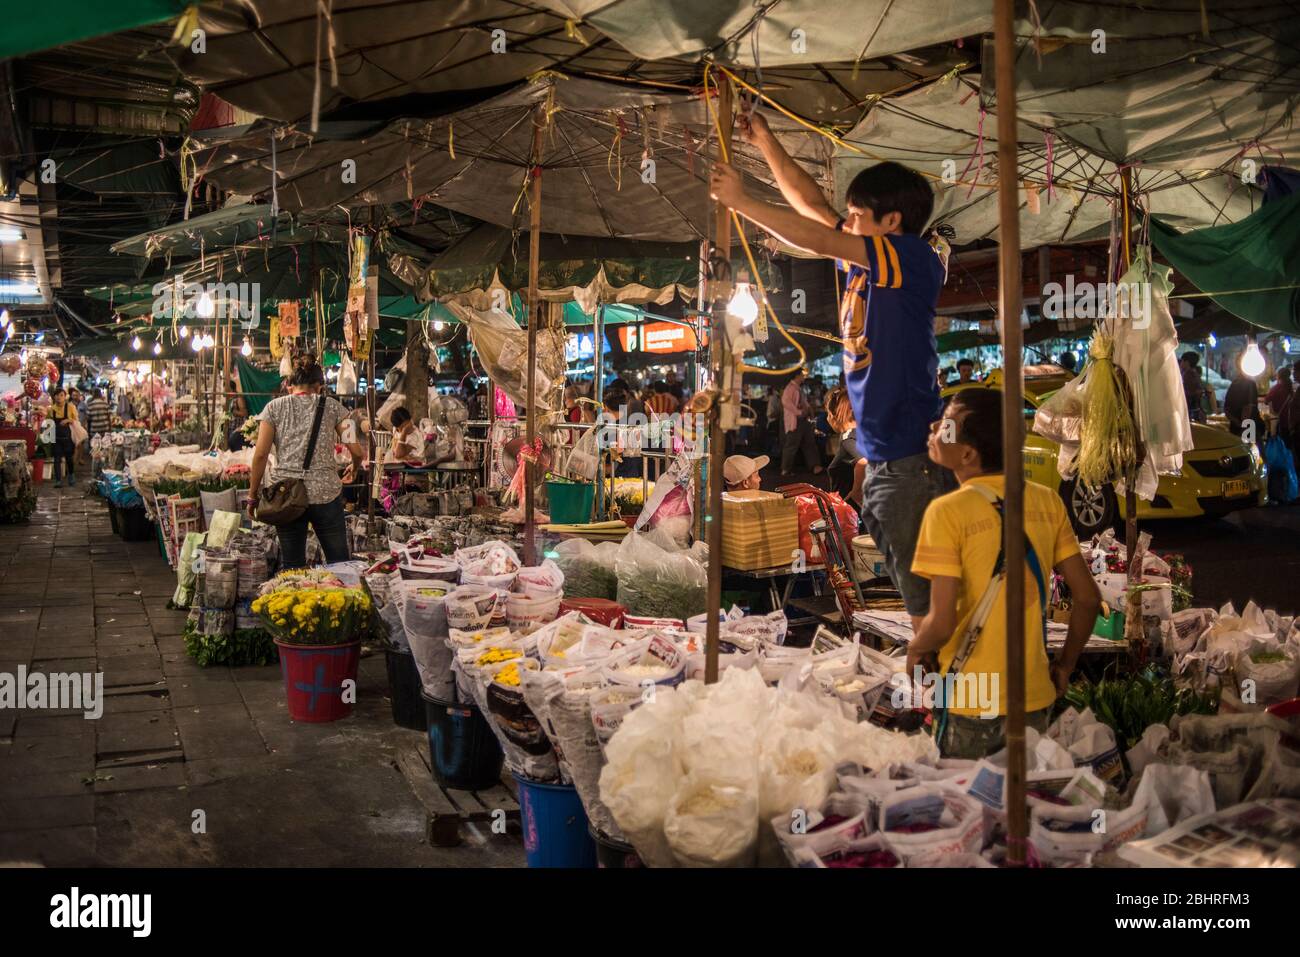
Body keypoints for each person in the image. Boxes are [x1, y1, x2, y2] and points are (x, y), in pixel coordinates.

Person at [713, 113, 953, 630]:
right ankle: (937, 685)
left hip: (911, 458)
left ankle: (951, 697)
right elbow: (814, 212)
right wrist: (764, 141)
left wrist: (743, 203)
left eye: (857, 215)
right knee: (919, 599)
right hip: (885, 459)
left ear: (891, 222)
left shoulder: (911, 258)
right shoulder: (866, 261)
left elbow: (821, 238)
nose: (847, 223)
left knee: (932, 607)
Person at [908, 389, 1102, 759]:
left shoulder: (947, 512)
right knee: (1022, 809)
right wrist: (1065, 666)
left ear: (967, 454)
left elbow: (942, 622)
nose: (935, 426)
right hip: (1033, 697)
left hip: (969, 700)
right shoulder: (1047, 501)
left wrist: (915, 648)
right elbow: (1089, 598)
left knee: (974, 809)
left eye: (947, 424)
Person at [248, 357, 366, 569]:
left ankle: (297, 601)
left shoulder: (273, 408)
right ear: (319, 386)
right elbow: (357, 451)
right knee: (339, 562)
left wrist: (252, 495)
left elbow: (260, 455)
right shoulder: (336, 408)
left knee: (293, 565)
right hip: (326, 496)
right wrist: (355, 467)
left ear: (290, 385)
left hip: (287, 495)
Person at [825, 387, 866, 507]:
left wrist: (856, 491)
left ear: (834, 414)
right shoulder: (864, 433)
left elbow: (864, 462)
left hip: (850, 511)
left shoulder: (847, 437)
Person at [779, 368, 822, 475]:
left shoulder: (796, 388)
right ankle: (786, 469)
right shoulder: (791, 388)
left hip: (801, 419)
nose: (804, 377)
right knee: (793, 445)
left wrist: (806, 410)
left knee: (808, 442)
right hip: (796, 420)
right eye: (802, 375)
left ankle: (814, 466)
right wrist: (799, 412)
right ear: (797, 376)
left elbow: (802, 402)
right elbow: (786, 402)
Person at [48, 387, 79, 488]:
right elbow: (48, 422)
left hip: (68, 438)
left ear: (65, 397)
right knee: (57, 459)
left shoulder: (70, 407)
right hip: (56, 437)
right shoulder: (51, 409)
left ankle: (71, 475)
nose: (59, 397)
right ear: (54, 397)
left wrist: (67, 420)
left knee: (69, 458)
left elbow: (75, 420)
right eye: (57, 395)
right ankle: (58, 480)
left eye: (61, 395)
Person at [1223, 367, 1262, 447]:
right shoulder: (1250, 384)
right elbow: (1248, 407)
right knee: (1251, 451)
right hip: (1248, 425)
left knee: (1237, 450)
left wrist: (1235, 421)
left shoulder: (1234, 384)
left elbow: (1226, 409)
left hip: (1235, 426)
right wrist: (1244, 427)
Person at [1180, 351, 1208, 423]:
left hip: (1191, 413)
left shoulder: (1188, 375)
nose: (1180, 364)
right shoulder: (1195, 374)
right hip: (1197, 411)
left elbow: (1188, 394)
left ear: (1187, 362)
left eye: (1182, 361)